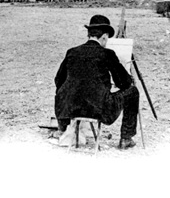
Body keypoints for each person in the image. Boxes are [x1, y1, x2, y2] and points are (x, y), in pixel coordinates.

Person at [54, 15, 140, 150]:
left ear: (89, 34)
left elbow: (58, 80)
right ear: (104, 37)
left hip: (68, 110)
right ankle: (126, 138)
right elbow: (124, 83)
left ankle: (62, 128)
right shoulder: (107, 54)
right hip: (98, 111)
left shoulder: (72, 52)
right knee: (132, 92)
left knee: (66, 90)